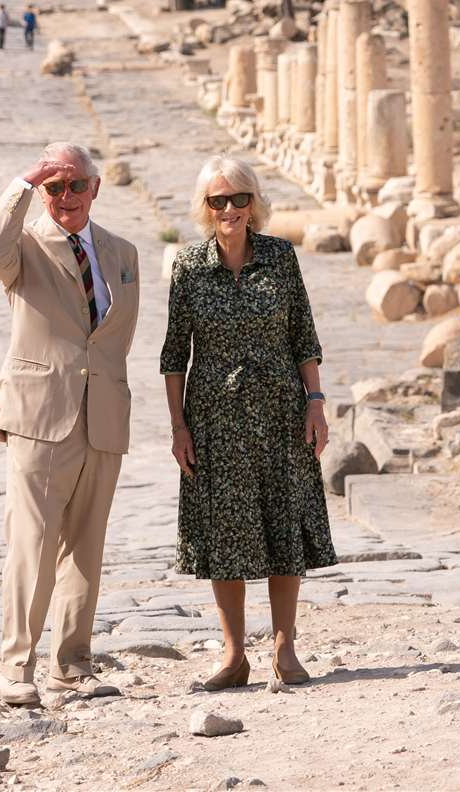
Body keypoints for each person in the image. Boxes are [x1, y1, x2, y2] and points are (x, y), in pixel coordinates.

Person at [0, 142, 141, 706]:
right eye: (55, 187)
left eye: (76, 185)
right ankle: (15, 668)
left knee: (86, 548)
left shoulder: (123, 252)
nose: (66, 197)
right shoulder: (22, 249)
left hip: (103, 415)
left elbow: (114, 337)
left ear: (95, 187)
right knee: (32, 544)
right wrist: (24, 182)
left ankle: (72, 665)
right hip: (41, 413)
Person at [161, 156, 334, 691]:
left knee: (285, 525)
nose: (230, 209)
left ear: (255, 203)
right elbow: (173, 357)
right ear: (205, 208)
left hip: (281, 412)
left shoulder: (281, 258)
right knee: (224, 535)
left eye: (240, 198)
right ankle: (235, 657)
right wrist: (178, 428)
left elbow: (304, 337)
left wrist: (317, 403)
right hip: (214, 419)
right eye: (219, 200)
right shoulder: (189, 267)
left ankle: (285, 650)